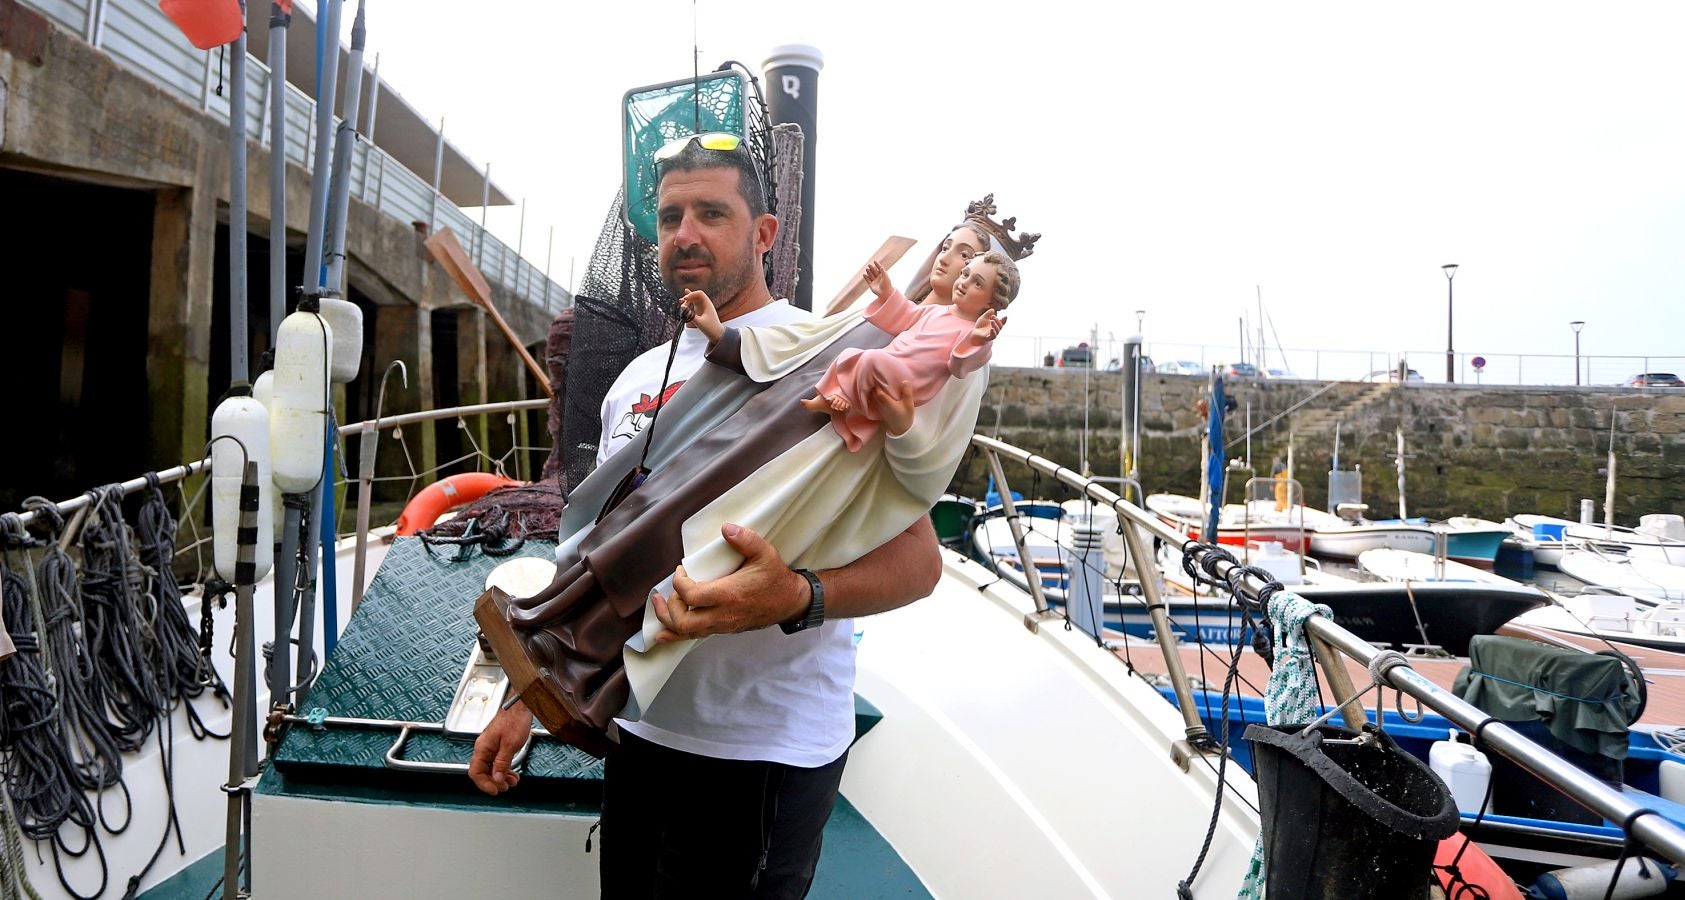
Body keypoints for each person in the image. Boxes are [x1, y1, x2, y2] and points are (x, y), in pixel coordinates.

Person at [470, 134, 950, 898]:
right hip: (633, 727)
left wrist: (794, 596)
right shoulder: (632, 379)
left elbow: (919, 564)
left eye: (710, 213)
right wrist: (527, 699)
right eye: (668, 218)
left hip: (759, 753)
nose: (684, 234)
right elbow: (599, 543)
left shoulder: (829, 358)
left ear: (762, 234)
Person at [679, 254, 1016, 452]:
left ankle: (855, 406)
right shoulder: (936, 312)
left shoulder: (972, 333)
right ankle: (837, 397)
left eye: (976, 282)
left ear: (991, 302)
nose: (960, 275)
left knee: (870, 360)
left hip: (906, 381)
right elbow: (906, 316)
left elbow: (960, 363)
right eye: (967, 272)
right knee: (852, 356)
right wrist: (885, 290)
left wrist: (980, 338)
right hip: (886, 367)